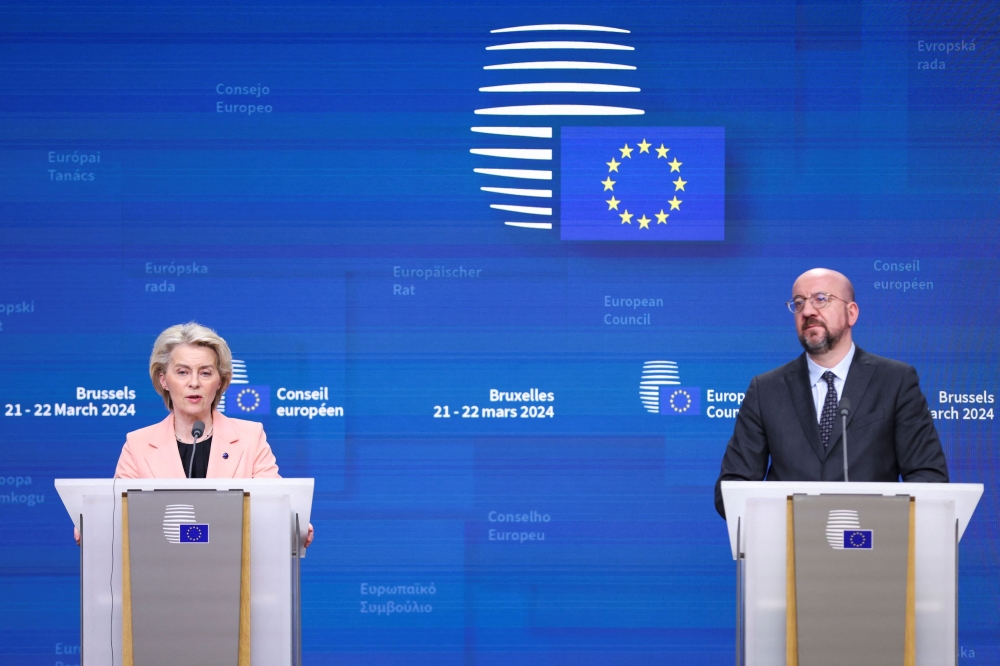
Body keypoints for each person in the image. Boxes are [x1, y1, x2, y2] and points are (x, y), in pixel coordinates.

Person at [714, 268, 949, 518]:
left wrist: (882, 524)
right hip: (787, 549)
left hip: (872, 546)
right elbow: (732, 489)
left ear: (851, 313)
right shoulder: (766, 390)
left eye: (821, 299)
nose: (807, 311)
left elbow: (929, 477)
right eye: (799, 302)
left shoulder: (895, 381)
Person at [75, 322, 313, 546]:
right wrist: (96, 528)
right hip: (161, 578)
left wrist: (293, 525)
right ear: (163, 379)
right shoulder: (138, 445)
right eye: (182, 372)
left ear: (220, 382)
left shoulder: (250, 437)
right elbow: (120, 516)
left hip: (235, 576)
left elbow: (275, 506)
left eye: (206, 373)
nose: (194, 383)